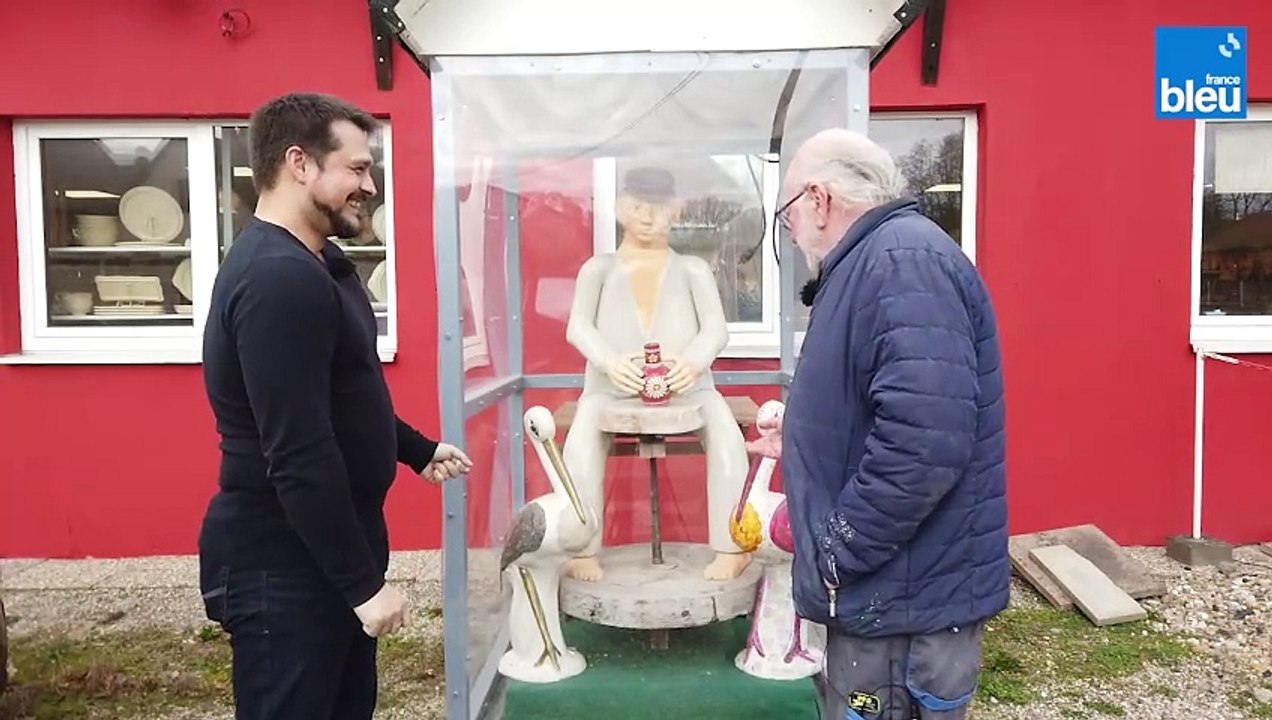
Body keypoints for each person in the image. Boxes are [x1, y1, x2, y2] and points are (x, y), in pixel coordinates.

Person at [197, 92, 473, 720]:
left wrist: (413, 449)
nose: (369, 185)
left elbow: (340, 395)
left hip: (322, 554)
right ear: (299, 163)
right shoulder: (277, 279)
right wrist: (362, 585)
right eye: (356, 168)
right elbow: (297, 449)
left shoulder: (319, 262)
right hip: (284, 568)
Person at [771, 128, 1008, 720]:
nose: (790, 230)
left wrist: (836, 550)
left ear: (819, 200)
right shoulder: (879, 261)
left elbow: (924, 446)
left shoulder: (902, 264)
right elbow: (888, 406)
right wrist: (802, 441)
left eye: (787, 213)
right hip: (895, 593)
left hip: (902, 603)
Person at [562, 166, 751, 582]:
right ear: (618, 208)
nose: (648, 217)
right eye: (637, 206)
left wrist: (693, 362)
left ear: (677, 211)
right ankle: (581, 546)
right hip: (610, 390)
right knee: (579, 448)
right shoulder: (598, 269)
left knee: (727, 438)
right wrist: (610, 361)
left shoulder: (693, 271)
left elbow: (715, 329)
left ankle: (731, 544)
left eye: (659, 208)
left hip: (690, 390)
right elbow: (579, 326)